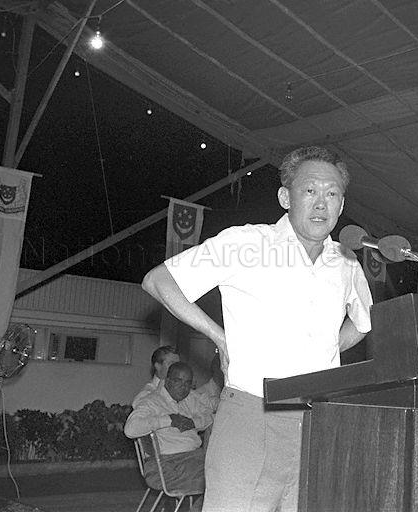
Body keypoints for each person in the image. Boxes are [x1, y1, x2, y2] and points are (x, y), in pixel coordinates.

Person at [141, 146, 373, 512]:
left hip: (319, 421)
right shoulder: (247, 243)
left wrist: (324, 352)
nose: (321, 203)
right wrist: (219, 337)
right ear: (285, 197)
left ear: (342, 205)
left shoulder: (346, 262)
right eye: (309, 190)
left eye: (332, 194)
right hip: (253, 413)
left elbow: (362, 323)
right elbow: (159, 281)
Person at [124, 362, 216, 496]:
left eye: (188, 383)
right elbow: (130, 429)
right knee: (217, 477)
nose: (184, 387)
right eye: (178, 381)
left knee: (224, 469)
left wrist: (194, 422)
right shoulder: (152, 401)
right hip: (167, 465)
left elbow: (211, 416)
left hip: (194, 459)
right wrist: (169, 420)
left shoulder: (189, 400)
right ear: (167, 381)